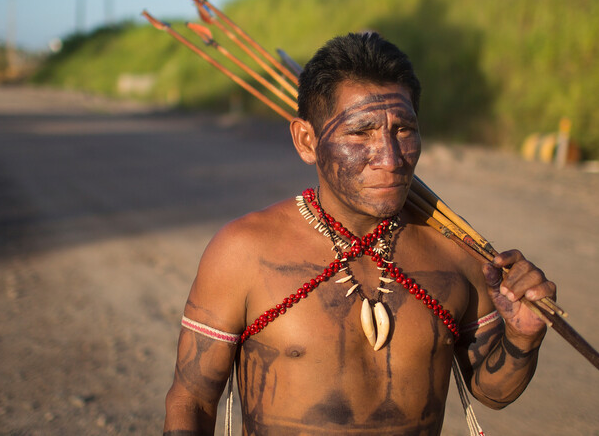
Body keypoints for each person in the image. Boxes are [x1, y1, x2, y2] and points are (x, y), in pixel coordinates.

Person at [164, 31, 556, 435]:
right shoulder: (244, 252)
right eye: (360, 132)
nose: (390, 159)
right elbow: (191, 399)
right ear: (306, 140)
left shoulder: (456, 251)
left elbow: (491, 392)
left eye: (403, 129)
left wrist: (523, 336)